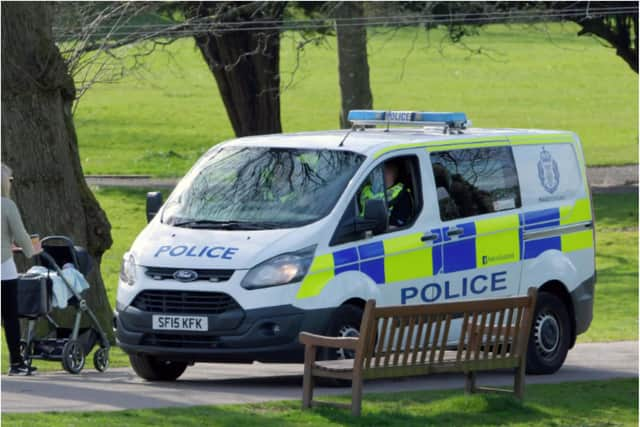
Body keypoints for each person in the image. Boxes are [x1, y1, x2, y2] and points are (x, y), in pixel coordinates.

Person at [1, 163, 41, 375]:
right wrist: (31, 250)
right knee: (9, 317)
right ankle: (16, 362)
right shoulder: (7, 205)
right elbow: (20, 234)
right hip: (3, 267)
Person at [360, 161, 413, 228]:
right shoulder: (366, 191)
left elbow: (394, 228)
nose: (382, 175)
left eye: (388, 172)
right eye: (379, 172)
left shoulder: (402, 196)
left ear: (395, 175)